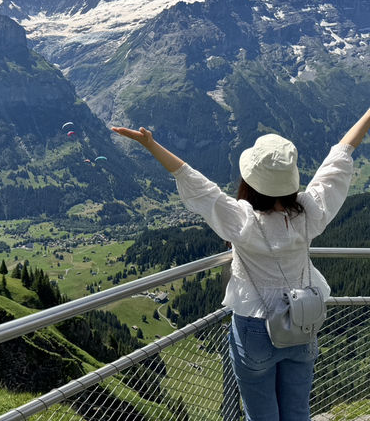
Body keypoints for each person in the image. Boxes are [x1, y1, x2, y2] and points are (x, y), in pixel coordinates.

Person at [112, 107, 370, 421]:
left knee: (260, 415)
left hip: (254, 326)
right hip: (303, 321)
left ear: (250, 180)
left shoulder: (241, 220)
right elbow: (338, 160)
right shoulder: (308, 212)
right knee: (298, 411)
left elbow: (196, 184)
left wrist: (151, 145)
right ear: (291, 181)